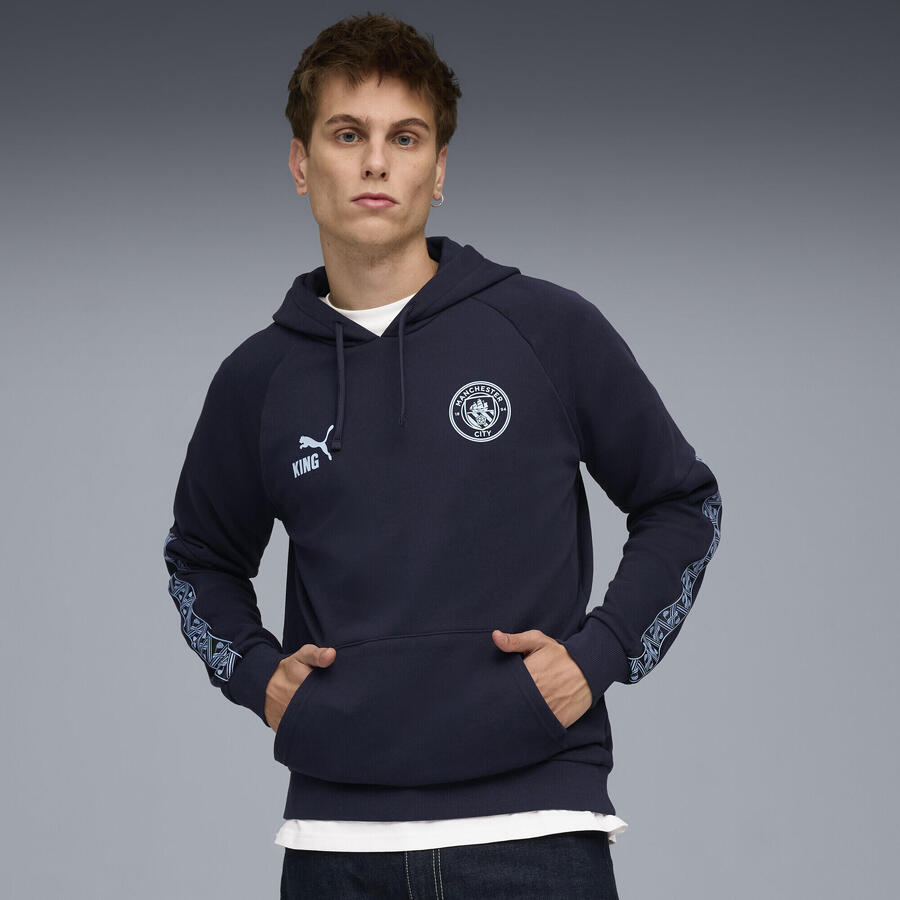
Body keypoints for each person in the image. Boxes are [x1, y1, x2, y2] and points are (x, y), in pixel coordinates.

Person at [162, 12, 723, 899]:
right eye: (348, 134)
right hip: (337, 845)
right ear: (302, 163)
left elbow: (684, 505)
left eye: (405, 137)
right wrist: (259, 676)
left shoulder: (546, 329)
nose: (376, 164)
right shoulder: (258, 378)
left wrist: (604, 653)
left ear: (440, 168)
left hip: (537, 833)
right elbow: (198, 559)